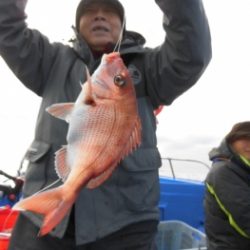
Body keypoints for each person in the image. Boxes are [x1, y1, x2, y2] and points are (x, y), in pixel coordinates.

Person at [0, 0, 211, 249]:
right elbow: (7, 27)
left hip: (126, 227)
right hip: (41, 224)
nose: (99, 17)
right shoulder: (50, 60)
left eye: (110, 13)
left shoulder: (151, 69)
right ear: (78, 26)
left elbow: (192, 52)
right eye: (89, 12)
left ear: (122, 26)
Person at [204, 121, 250, 250]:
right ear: (232, 141)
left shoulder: (243, 167)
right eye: (244, 139)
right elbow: (245, 217)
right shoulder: (222, 171)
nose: (249, 145)